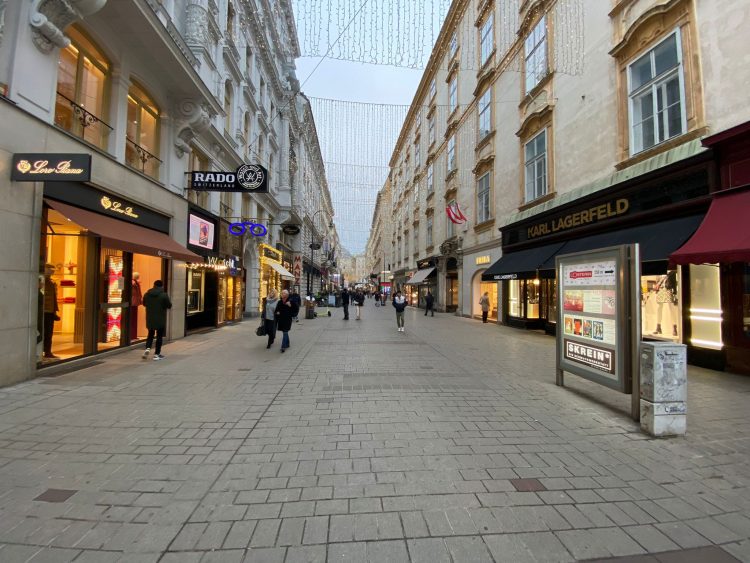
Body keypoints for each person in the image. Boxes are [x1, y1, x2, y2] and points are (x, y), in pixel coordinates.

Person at [142, 280, 172, 361]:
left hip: (150, 318)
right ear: (162, 286)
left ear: (154, 285)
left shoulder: (147, 294)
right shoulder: (163, 295)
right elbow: (169, 305)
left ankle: (147, 348)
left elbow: (144, 303)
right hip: (160, 318)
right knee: (159, 336)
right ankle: (156, 354)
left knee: (150, 334)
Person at [42, 264, 60, 359]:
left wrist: (55, 311)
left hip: (50, 311)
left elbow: (54, 299)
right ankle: (44, 351)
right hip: (44, 311)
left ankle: (47, 351)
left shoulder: (51, 283)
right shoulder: (42, 282)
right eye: (49, 270)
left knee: (49, 333)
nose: (52, 272)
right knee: (44, 332)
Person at [130, 272, 143, 341]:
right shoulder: (133, 283)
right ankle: (132, 336)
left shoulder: (136, 283)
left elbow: (138, 293)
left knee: (134, 319)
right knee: (132, 319)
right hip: (133, 302)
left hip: (135, 302)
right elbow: (136, 294)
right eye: (138, 276)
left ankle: (133, 335)